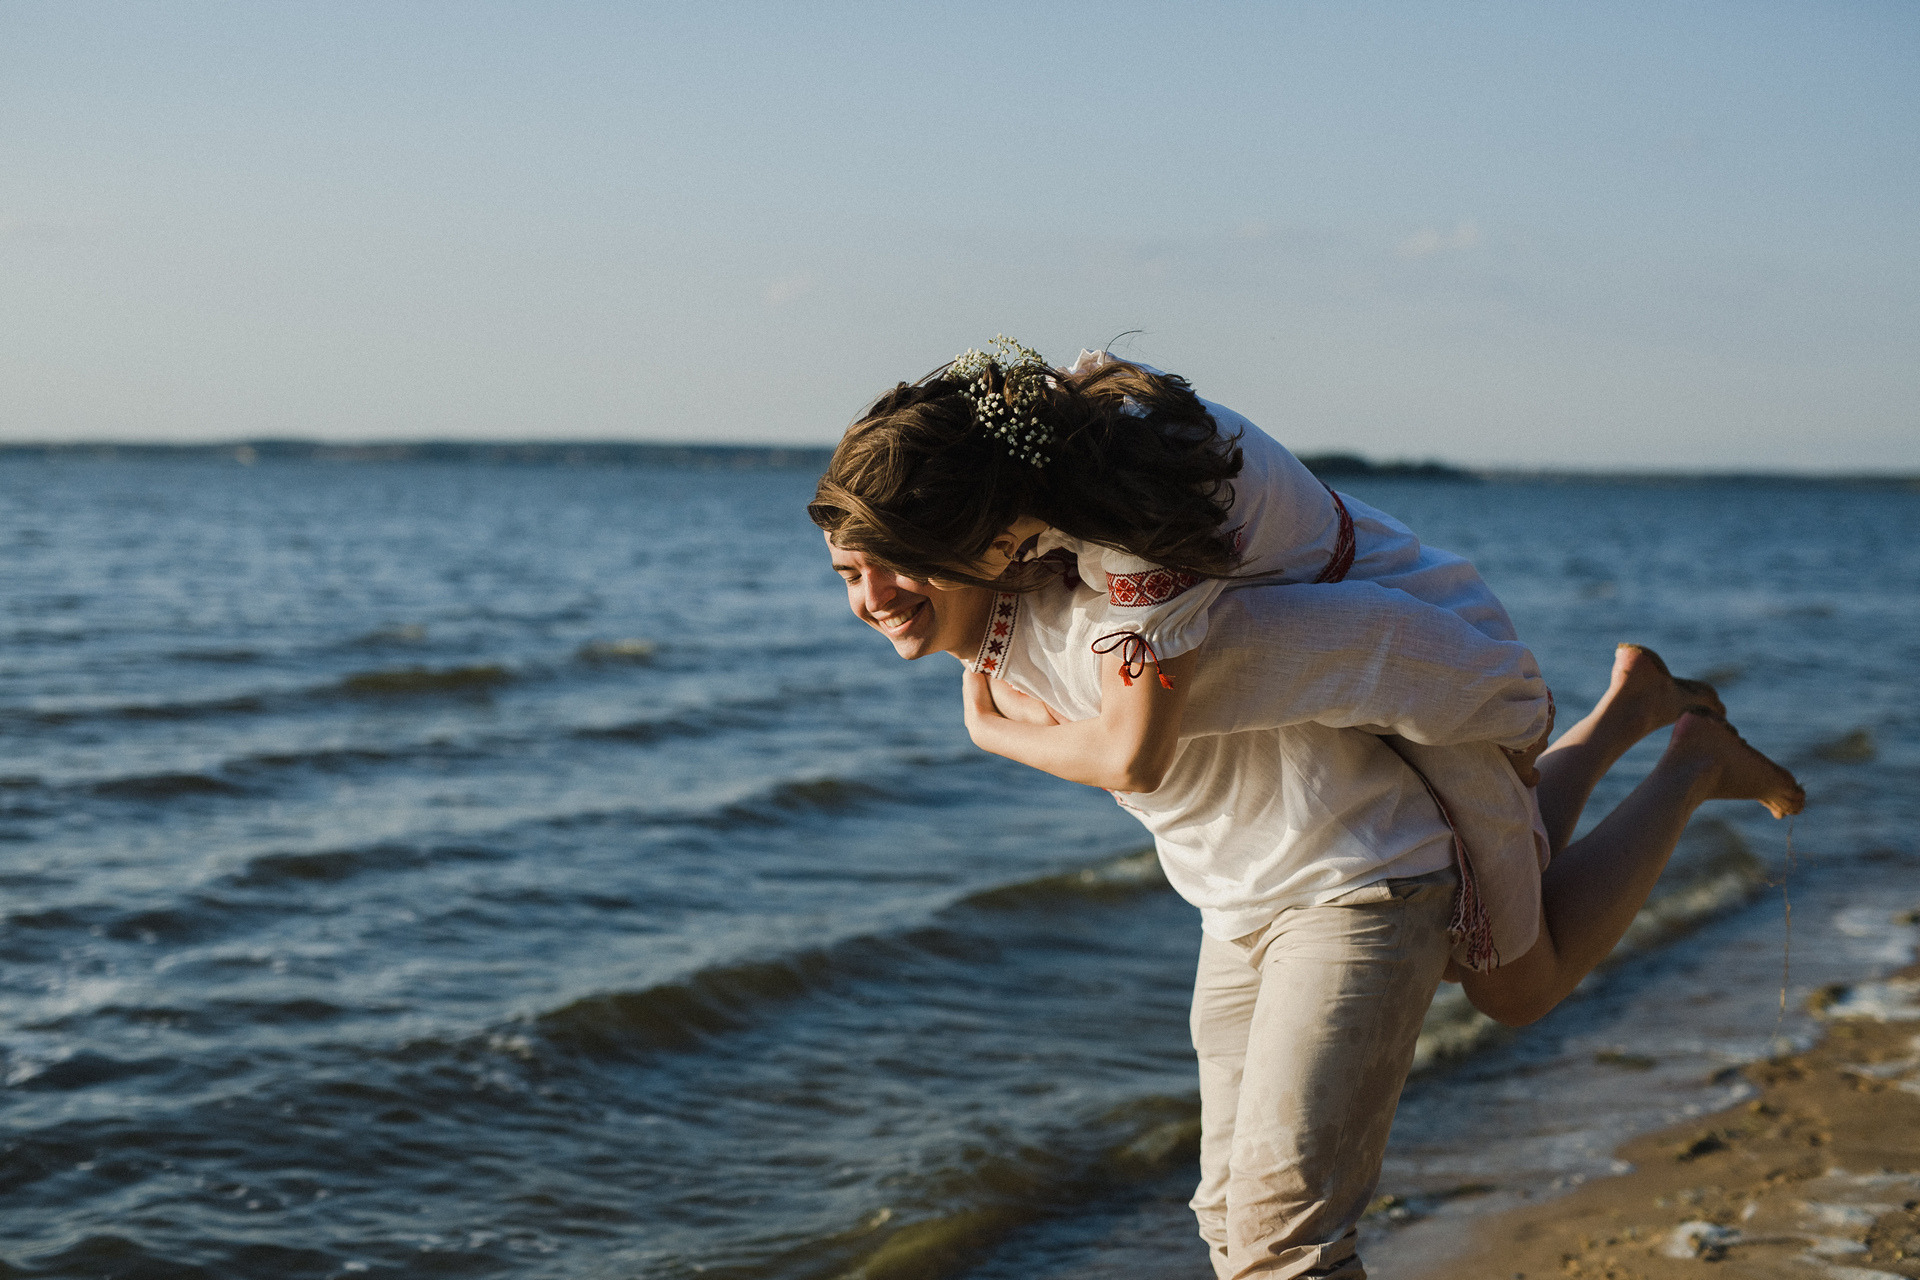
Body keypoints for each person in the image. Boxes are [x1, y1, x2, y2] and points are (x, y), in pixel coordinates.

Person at [823, 537, 1803, 1279]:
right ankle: (1634, 719)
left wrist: (990, 727)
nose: (869, 599)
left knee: (1282, 1239)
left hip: (1359, 875)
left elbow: (1134, 752)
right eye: (843, 575)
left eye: (886, 563)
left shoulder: (1096, 622)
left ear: (970, 544)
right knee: (1228, 1219)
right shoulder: (999, 645)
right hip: (1249, 900)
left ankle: (1687, 761)